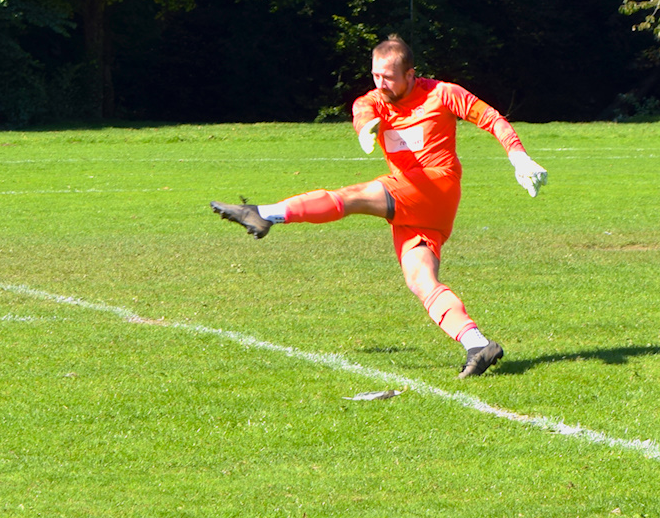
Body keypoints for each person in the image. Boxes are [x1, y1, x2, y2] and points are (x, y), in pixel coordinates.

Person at [210, 34, 547, 378]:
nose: (380, 83)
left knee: (352, 197)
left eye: (388, 77)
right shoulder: (373, 100)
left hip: (435, 186)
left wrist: (518, 156)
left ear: (411, 74)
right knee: (420, 280)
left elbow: (490, 117)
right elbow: (363, 112)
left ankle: (264, 214)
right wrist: (364, 129)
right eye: (375, 75)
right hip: (415, 206)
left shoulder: (443, 93)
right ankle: (477, 343)